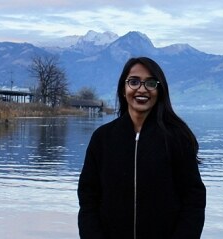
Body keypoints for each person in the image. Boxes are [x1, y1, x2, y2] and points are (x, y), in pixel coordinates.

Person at [77, 57, 206, 239]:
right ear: (123, 89)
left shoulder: (177, 138)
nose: (142, 89)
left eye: (150, 83)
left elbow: (194, 200)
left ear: (159, 90)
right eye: (134, 82)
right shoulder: (103, 138)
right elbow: (88, 198)